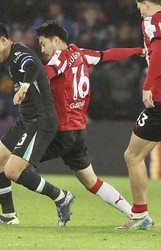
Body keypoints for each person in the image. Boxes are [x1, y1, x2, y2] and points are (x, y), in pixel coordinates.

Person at [0, 21, 145, 226]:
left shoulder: (56, 59)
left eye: (43, 44)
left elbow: (41, 70)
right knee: (91, 182)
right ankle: (136, 215)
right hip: (77, 131)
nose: (42, 49)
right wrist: (137, 50)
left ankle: (57, 198)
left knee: (11, 168)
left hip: (56, 128)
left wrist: (27, 84)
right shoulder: (82, 54)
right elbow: (108, 54)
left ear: (56, 40)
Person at [0, 21, 75, 227]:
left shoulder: (19, 54)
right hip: (26, 120)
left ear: (3, 41)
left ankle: (61, 197)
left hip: (40, 120)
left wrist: (26, 85)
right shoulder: (11, 57)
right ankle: (8, 216)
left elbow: (30, 65)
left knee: (12, 171)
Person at [117, 0, 161, 230]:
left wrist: (148, 85)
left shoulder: (152, 22)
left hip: (160, 100)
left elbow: (159, 55)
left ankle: (140, 215)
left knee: (132, 156)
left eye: (138, 3)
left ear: (146, 3)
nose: (137, 7)